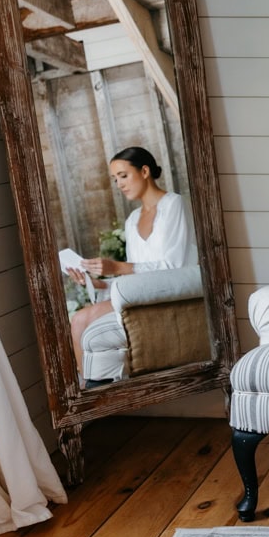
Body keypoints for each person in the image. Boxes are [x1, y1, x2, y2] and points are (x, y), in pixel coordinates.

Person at [66, 146, 197, 378]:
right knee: (78, 319)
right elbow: (133, 277)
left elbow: (175, 266)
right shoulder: (132, 219)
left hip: (168, 294)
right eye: (115, 179)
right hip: (138, 295)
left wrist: (117, 267)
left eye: (124, 176)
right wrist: (96, 284)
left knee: (81, 319)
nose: (119, 184)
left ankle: (87, 392)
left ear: (144, 171)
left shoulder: (174, 205)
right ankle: (88, 388)